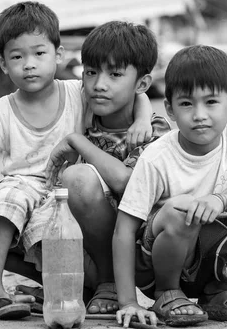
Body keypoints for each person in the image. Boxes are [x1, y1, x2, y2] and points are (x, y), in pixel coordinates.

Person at [0, 1, 154, 320]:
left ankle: (81, 285)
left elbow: (135, 91)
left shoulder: (78, 90)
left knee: (53, 228)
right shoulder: (0, 110)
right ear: (4, 64)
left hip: (62, 189)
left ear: (58, 55)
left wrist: (144, 119)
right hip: (21, 185)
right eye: (17, 57)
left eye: (39, 54)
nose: (29, 65)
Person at [113, 45, 227, 328]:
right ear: (170, 109)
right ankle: (167, 294)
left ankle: (215, 295)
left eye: (211, 102)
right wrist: (128, 301)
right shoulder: (157, 156)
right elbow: (124, 230)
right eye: (187, 104)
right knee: (182, 210)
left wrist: (221, 200)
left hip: (208, 258)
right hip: (158, 262)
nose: (199, 114)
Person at [39, 21, 171, 315]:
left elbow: (126, 183)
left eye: (114, 74)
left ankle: (111, 281)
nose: (99, 84)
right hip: (90, 237)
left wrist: (77, 141)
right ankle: (91, 281)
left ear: (141, 84)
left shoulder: (154, 131)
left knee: (77, 178)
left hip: (141, 244)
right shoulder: (82, 106)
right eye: (91, 72)